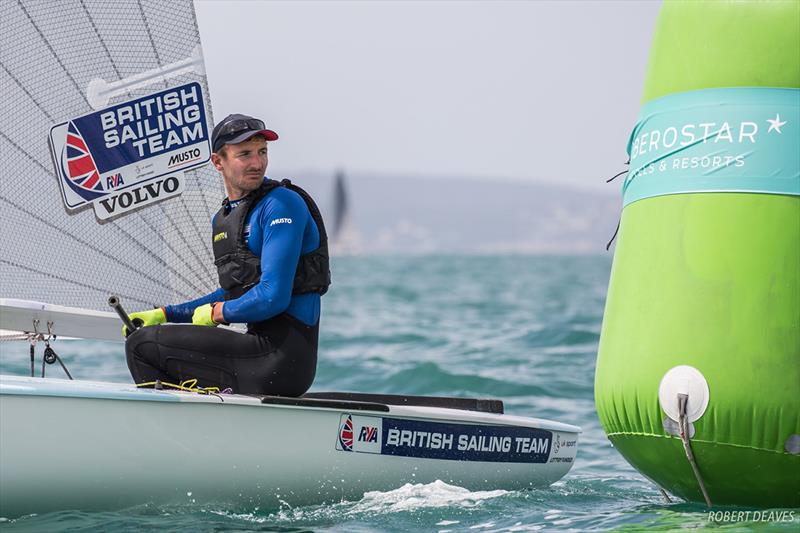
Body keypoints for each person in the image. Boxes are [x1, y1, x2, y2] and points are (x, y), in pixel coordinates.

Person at [124, 114, 330, 396]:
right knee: (142, 338)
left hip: (283, 360)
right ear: (218, 162)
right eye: (244, 154)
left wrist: (217, 313)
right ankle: (198, 430)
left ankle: (170, 434)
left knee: (143, 346)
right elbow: (233, 292)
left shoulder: (281, 204)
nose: (257, 163)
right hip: (256, 351)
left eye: (262, 152)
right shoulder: (224, 219)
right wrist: (165, 314)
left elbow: (274, 296)